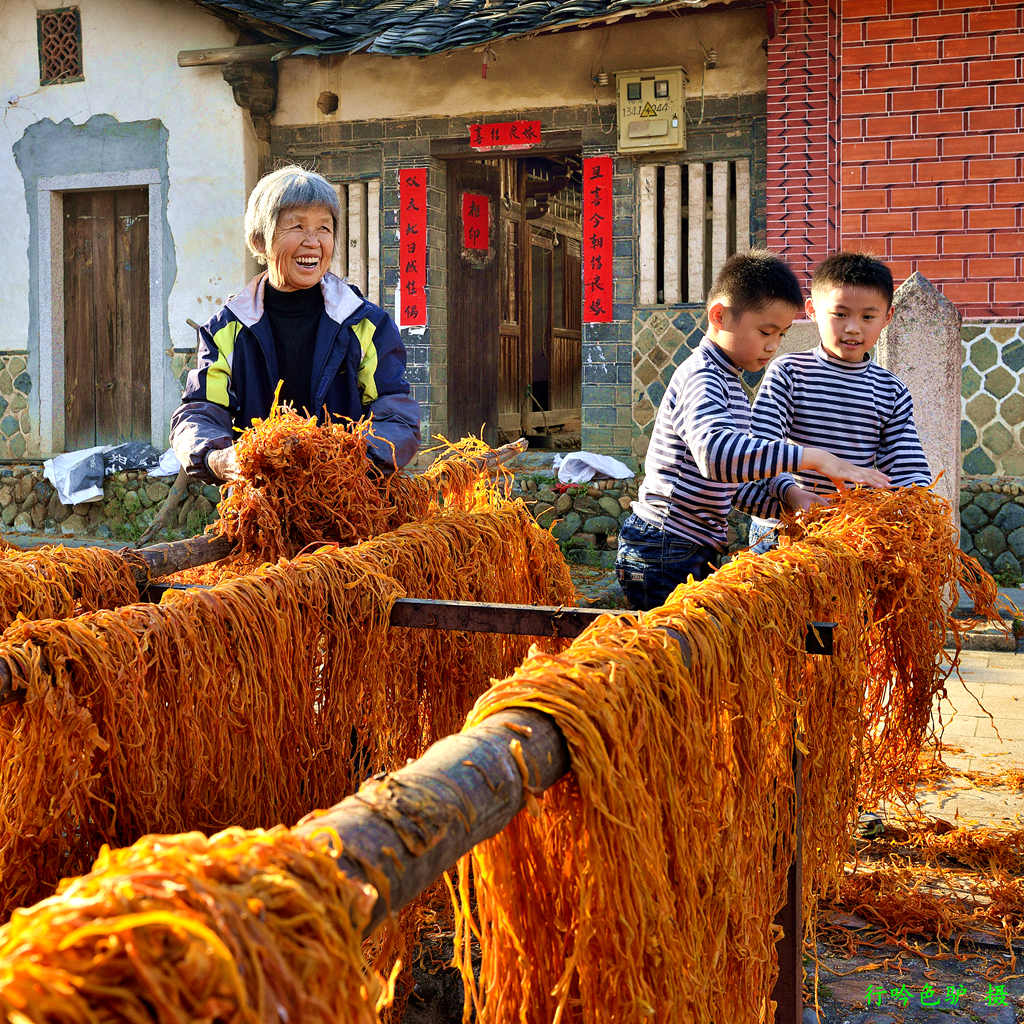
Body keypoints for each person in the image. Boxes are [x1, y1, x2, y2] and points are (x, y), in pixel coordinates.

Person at [615, 250, 889, 612]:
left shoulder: (731, 384)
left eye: (781, 334)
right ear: (720, 316)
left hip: (690, 546)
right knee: (675, 658)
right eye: (765, 331)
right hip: (665, 546)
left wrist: (791, 497)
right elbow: (716, 457)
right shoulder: (703, 378)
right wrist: (814, 458)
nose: (773, 345)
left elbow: (736, 484)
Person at [170, 165, 420, 482]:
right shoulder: (227, 329)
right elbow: (201, 410)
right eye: (297, 227)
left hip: (350, 503)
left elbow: (394, 412)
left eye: (324, 229)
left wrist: (352, 462)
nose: (313, 242)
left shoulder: (366, 324)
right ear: (260, 241)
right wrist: (218, 457)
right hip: (260, 507)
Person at [743, 252, 931, 552]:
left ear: (887, 317)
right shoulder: (789, 372)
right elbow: (761, 448)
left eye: (868, 317)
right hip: (783, 529)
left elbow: (906, 465)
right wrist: (791, 493)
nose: (853, 328)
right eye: (840, 314)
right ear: (812, 309)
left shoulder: (890, 390)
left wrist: (920, 507)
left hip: (848, 535)